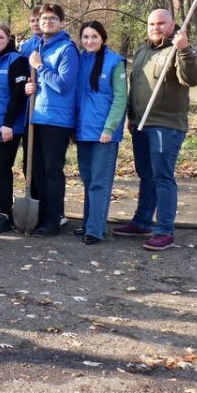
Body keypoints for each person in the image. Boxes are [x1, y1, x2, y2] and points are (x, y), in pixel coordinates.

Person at [114, 8, 197, 250]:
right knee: (146, 174)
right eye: (152, 23)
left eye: (161, 23)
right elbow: (136, 85)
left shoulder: (179, 49)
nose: (156, 27)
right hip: (141, 124)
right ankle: (142, 221)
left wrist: (184, 49)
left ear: (172, 24)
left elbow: (191, 78)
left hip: (166, 125)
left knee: (162, 176)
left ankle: (164, 230)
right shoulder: (143, 50)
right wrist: (131, 116)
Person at [24, 3, 79, 237]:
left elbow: (63, 85)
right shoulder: (38, 46)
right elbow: (37, 82)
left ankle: (53, 219)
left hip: (56, 120)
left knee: (51, 171)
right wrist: (29, 85)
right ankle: (39, 215)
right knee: (35, 170)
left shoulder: (67, 49)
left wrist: (40, 67)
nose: (48, 22)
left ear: (61, 22)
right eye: (44, 18)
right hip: (36, 116)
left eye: (53, 18)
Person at [75, 20, 128, 245]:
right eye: (85, 37)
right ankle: (88, 222)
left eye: (94, 37)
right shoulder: (79, 59)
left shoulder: (114, 62)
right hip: (82, 130)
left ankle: (96, 229)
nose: (89, 41)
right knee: (87, 180)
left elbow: (120, 98)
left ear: (103, 38)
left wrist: (110, 127)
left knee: (99, 181)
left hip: (103, 133)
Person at [0, 24, 31, 234]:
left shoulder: (16, 60)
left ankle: (4, 215)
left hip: (6, 127)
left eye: (1, 37)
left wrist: (8, 123)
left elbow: (18, 95)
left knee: (1, 169)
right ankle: (0, 210)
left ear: (8, 38)